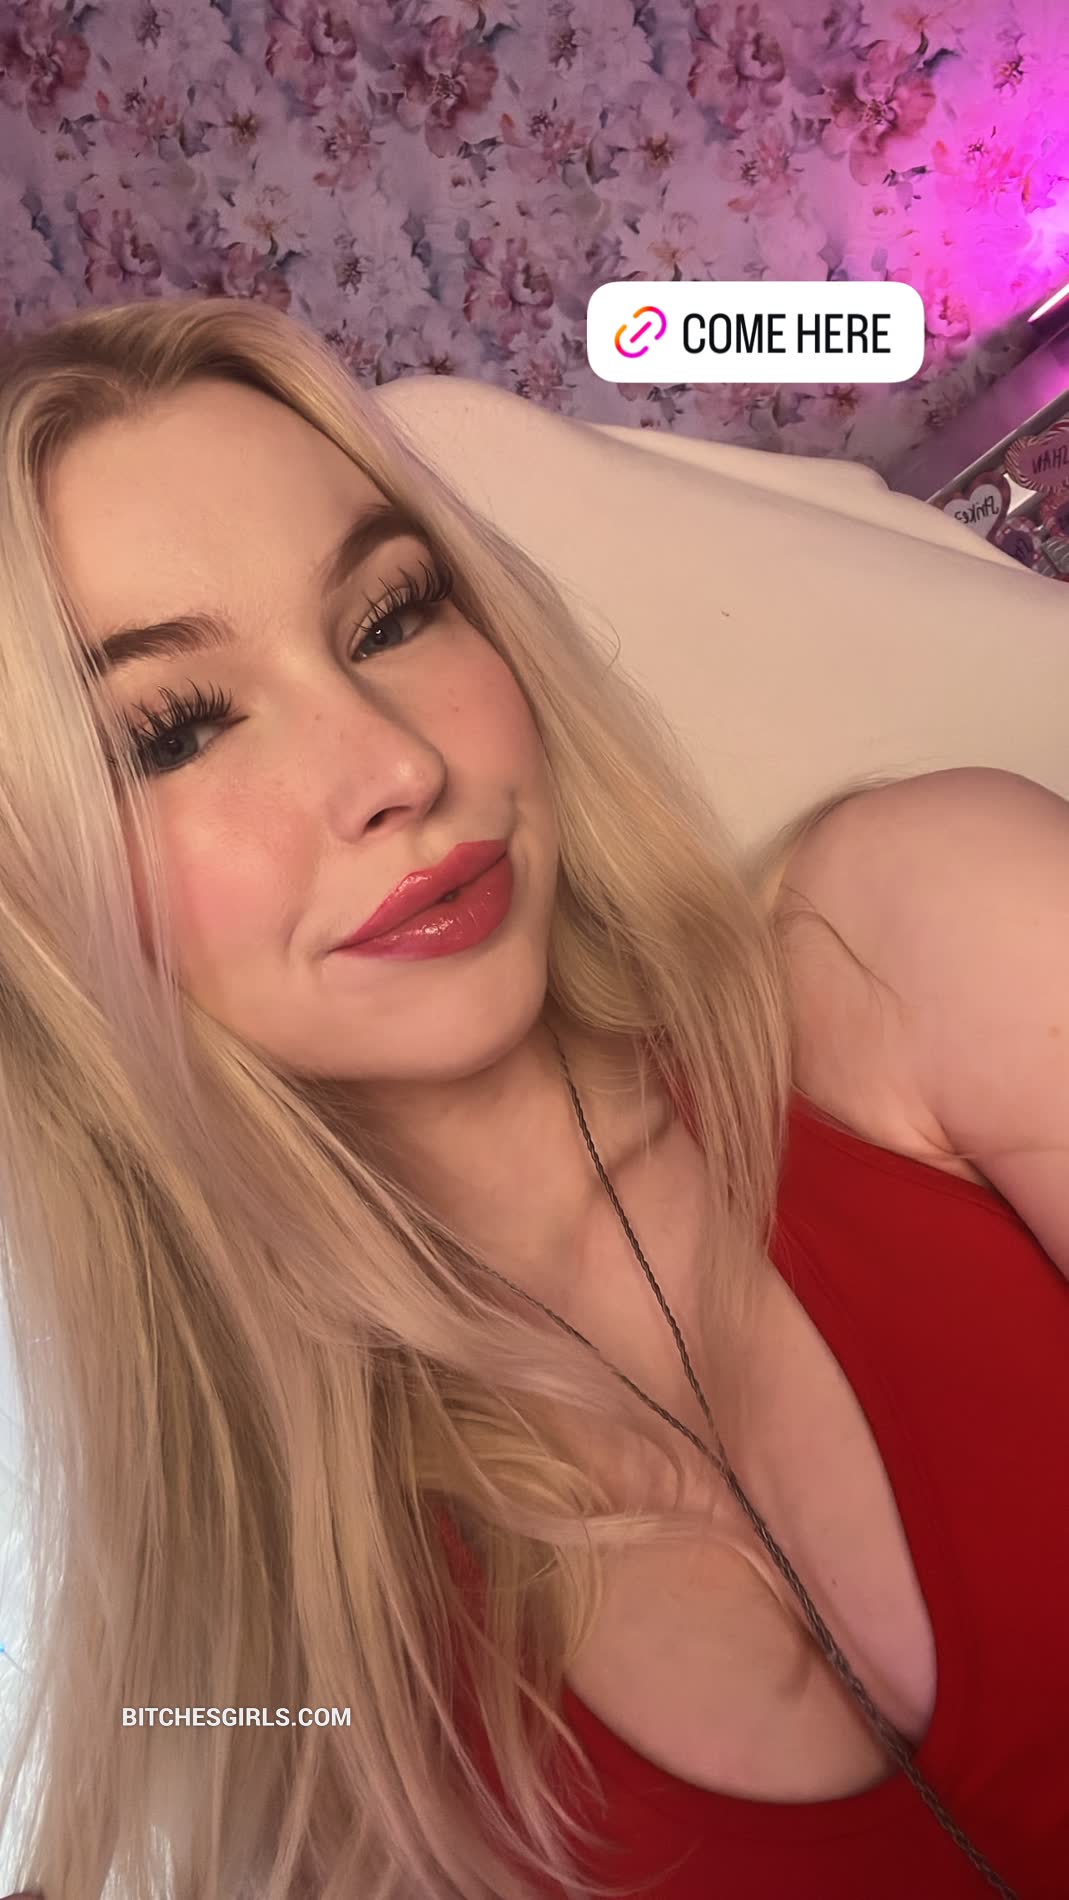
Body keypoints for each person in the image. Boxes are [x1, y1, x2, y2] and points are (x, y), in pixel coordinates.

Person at [0, 296, 1064, 1900]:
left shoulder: (914, 935)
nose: (395, 766)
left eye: (390, 615)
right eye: (175, 730)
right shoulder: (289, 1662)